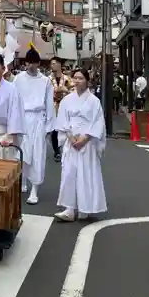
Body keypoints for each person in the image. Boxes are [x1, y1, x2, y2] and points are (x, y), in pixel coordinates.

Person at [54, 68, 107, 222]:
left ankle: (86, 207)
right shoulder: (67, 100)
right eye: (75, 78)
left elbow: (98, 122)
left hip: (87, 141)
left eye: (81, 78)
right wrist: (70, 137)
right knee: (69, 173)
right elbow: (62, 120)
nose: (77, 81)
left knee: (86, 174)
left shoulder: (94, 101)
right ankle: (69, 208)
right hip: (71, 140)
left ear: (87, 81)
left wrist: (85, 138)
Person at [13, 47, 55, 205]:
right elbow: (14, 101)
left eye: (34, 63)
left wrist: (49, 127)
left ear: (38, 64)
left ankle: (34, 189)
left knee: (38, 154)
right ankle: (22, 181)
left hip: (38, 119)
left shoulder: (45, 81)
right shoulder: (18, 79)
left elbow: (49, 104)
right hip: (23, 118)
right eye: (28, 63)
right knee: (22, 153)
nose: (31, 66)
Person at [49, 56, 72, 162]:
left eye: (54, 63)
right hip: (52, 106)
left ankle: (66, 149)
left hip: (64, 107)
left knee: (65, 129)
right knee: (54, 130)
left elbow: (73, 92)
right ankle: (57, 151)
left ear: (59, 65)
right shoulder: (47, 79)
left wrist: (65, 90)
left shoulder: (67, 79)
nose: (52, 65)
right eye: (51, 63)